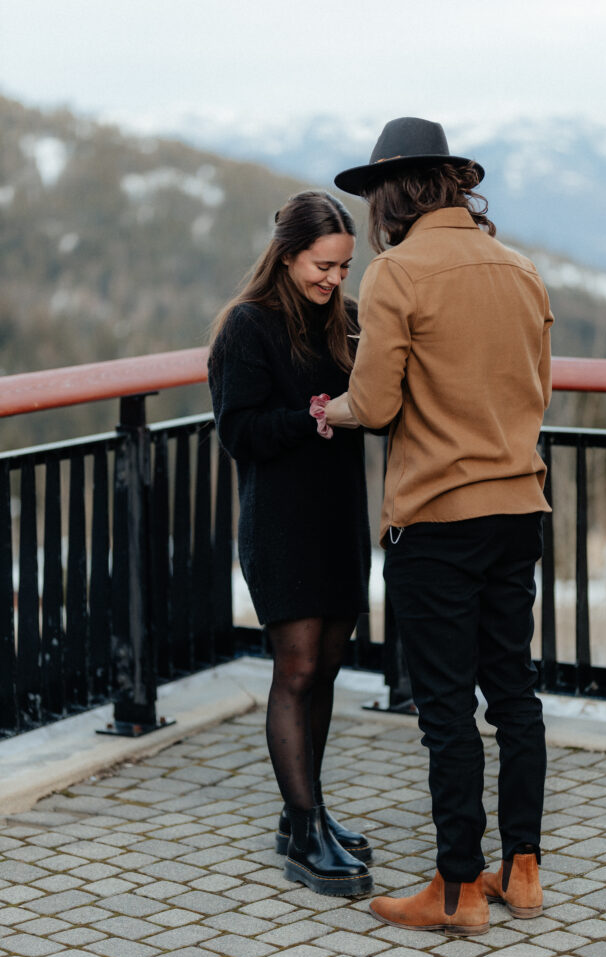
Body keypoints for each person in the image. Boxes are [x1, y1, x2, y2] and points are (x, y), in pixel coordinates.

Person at [328, 118, 552, 933]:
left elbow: (379, 403)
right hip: (516, 507)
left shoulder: (397, 275)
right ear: (454, 184)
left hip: (437, 517)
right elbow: (538, 390)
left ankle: (457, 889)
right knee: (514, 694)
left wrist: (335, 409)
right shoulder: (520, 269)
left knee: (447, 710)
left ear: (392, 194)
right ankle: (519, 872)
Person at [208, 190, 373, 897]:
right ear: (287, 253)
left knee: (329, 666)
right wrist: (309, 419)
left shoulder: (352, 322)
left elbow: (369, 407)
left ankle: (305, 811)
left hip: (340, 516)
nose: (333, 279)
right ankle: (304, 836)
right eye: (322, 265)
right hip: (281, 519)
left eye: (342, 266)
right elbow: (239, 432)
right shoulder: (248, 326)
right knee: (297, 668)